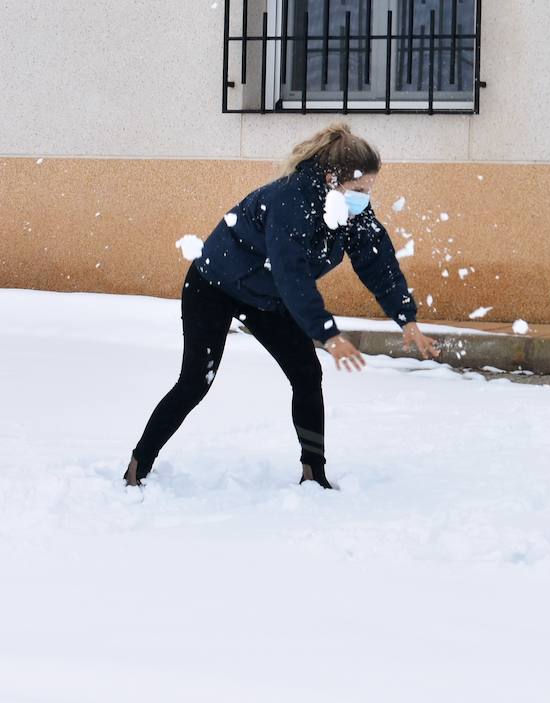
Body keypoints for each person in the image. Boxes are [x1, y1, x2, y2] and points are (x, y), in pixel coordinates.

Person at [124, 123, 439, 489]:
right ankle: (138, 465)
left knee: (306, 374)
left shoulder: (350, 210)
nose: (364, 198)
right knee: (195, 381)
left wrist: (407, 318)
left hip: (266, 297)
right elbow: (293, 277)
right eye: (358, 190)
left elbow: (377, 262)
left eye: (369, 190)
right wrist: (327, 334)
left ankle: (313, 472)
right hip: (213, 286)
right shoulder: (290, 202)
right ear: (331, 177)